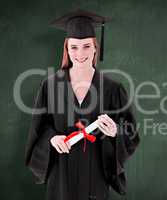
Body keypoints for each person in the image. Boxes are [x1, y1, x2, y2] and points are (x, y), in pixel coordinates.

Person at [24, 9, 140, 200]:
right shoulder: (50, 85)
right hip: (60, 174)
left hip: (95, 175)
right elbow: (40, 127)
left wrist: (114, 132)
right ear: (67, 49)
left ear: (96, 47)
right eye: (74, 47)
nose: (80, 53)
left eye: (86, 46)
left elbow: (130, 132)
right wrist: (52, 139)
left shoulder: (112, 88)